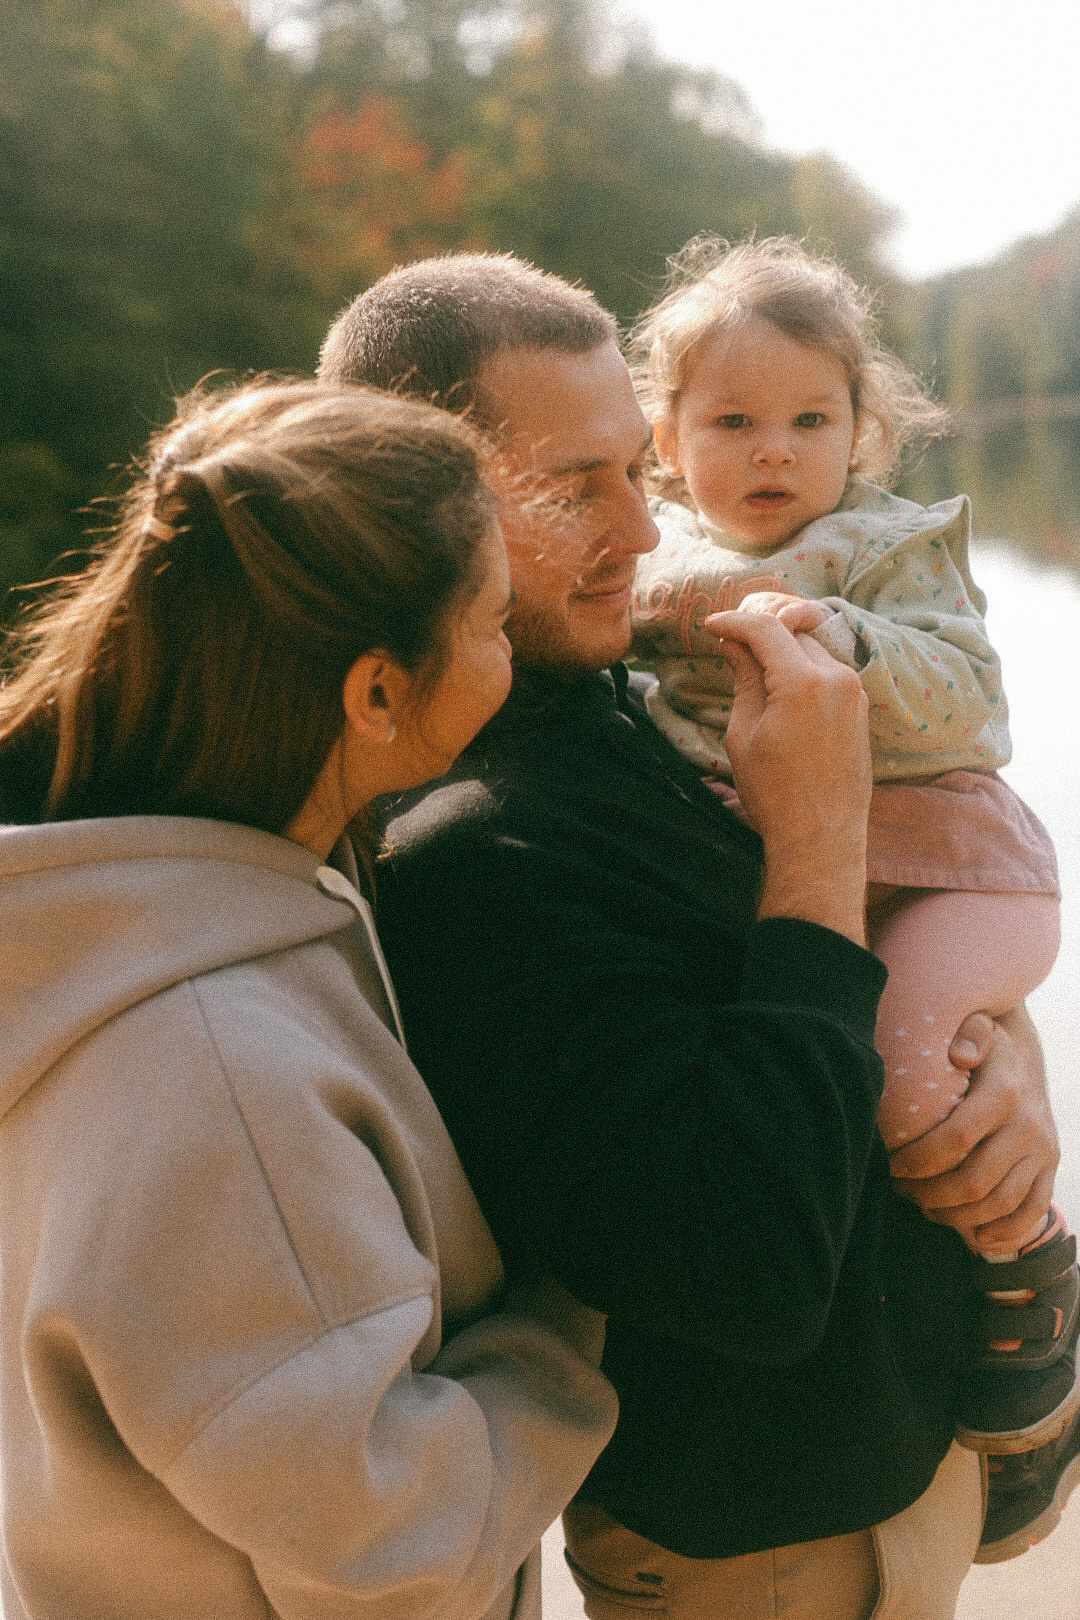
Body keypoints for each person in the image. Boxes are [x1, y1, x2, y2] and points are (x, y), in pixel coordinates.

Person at [319, 252, 1061, 1619]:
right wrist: (822, 841)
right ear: (419, 507)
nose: (650, 535)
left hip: (896, 1469)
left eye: (629, 475)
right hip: (762, 1545)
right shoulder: (477, 846)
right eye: (574, 485)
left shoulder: (616, 698)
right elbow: (742, 1269)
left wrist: (995, 1050)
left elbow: (823, 974)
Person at [0, 376, 618, 1620]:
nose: (520, 655)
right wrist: (560, 1317)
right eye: (497, 623)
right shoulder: (219, 1071)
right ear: (377, 693)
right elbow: (382, 1535)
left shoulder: (115, 910)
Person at [627, 235, 1078, 1507]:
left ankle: (1030, 1275)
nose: (774, 450)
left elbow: (975, 707)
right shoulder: (642, 565)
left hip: (956, 873)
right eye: (733, 420)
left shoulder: (886, 549)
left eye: (810, 418)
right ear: (665, 439)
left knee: (906, 1065)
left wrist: (836, 633)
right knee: (852, 1074)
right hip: (810, 889)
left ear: (861, 432)